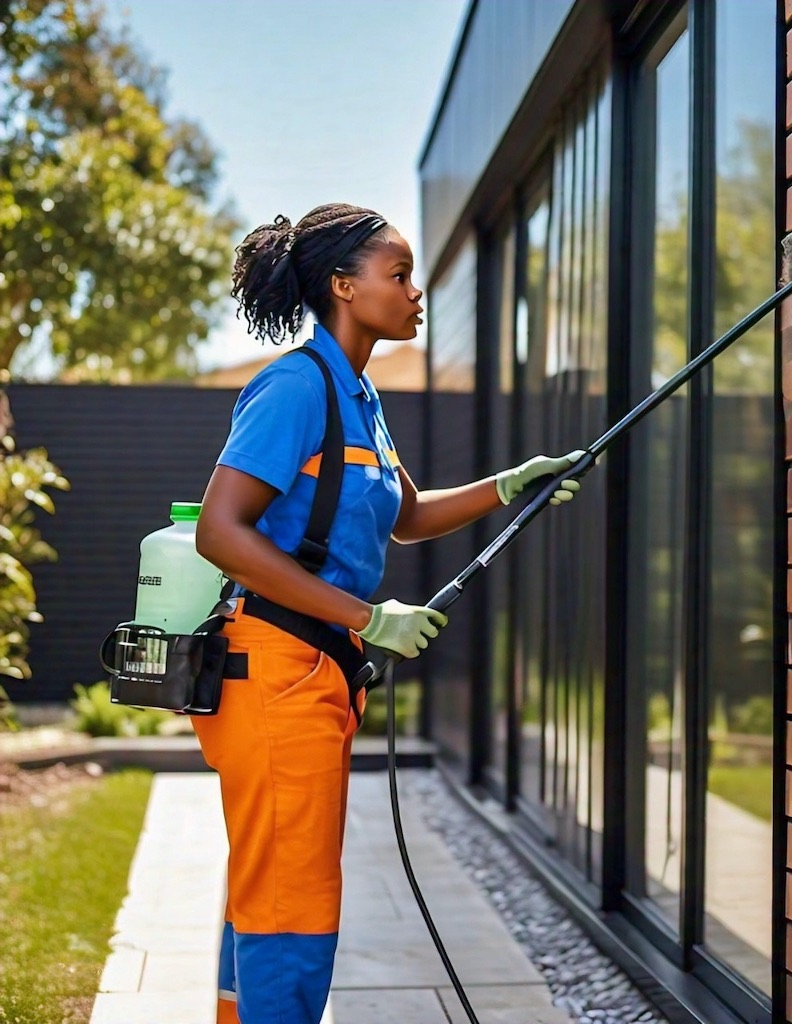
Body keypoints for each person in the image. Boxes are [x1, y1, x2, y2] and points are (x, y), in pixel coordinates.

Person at [193, 202, 583, 1024]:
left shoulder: (359, 393)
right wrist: (368, 619)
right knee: (293, 897)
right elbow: (219, 531)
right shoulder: (296, 387)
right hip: (271, 671)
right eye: (398, 277)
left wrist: (512, 483)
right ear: (344, 285)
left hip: (314, 674)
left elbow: (406, 514)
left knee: (271, 881)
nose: (414, 295)